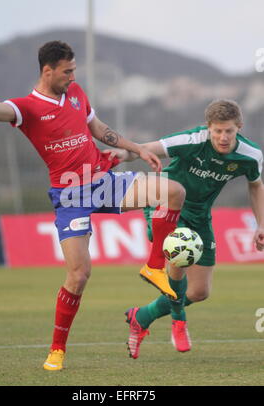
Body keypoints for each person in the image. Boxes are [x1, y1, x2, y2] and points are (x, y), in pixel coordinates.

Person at [0, 40, 187, 370]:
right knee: (79, 274)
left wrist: (138, 149)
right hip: (71, 197)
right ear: (47, 70)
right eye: (67, 72)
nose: (72, 77)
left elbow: (101, 130)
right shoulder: (27, 107)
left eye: (74, 71)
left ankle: (153, 266)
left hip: (103, 181)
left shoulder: (77, 93)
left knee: (173, 192)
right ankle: (57, 349)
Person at [107, 99, 264, 359]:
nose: (223, 137)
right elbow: (147, 148)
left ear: (239, 128)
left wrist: (261, 223)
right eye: (217, 131)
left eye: (229, 131)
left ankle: (141, 316)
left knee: (199, 291)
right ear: (208, 128)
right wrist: (122, 154)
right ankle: (179, 321)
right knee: (180, 248)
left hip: (200, 216)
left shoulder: (250, 155)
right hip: (166, 203)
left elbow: (256, 185)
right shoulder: (191, 141)